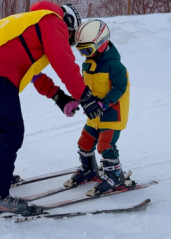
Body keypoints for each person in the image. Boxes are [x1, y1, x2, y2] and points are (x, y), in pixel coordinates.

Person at [0, 1, 105, 215]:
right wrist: (85, 97)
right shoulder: (52, 21)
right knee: (10, 130)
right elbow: (64, 63)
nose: (69, 42)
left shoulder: (35, 23)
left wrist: (58, 96)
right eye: (72, 36)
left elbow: (34, 73)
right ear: (68, 23)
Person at [32, 20, 132, 196]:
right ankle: (89, 170)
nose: (84, 54)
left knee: (105, 145)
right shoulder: (88, 63)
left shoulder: (115, 66)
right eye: (81, 51)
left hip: (112, 114)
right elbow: (85, 87)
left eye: (87, 50)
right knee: (84, 142)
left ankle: (116, 176)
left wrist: (104, 103)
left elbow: (120, 88)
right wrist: (76, 100)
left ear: (101, 45)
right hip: (94, 114)